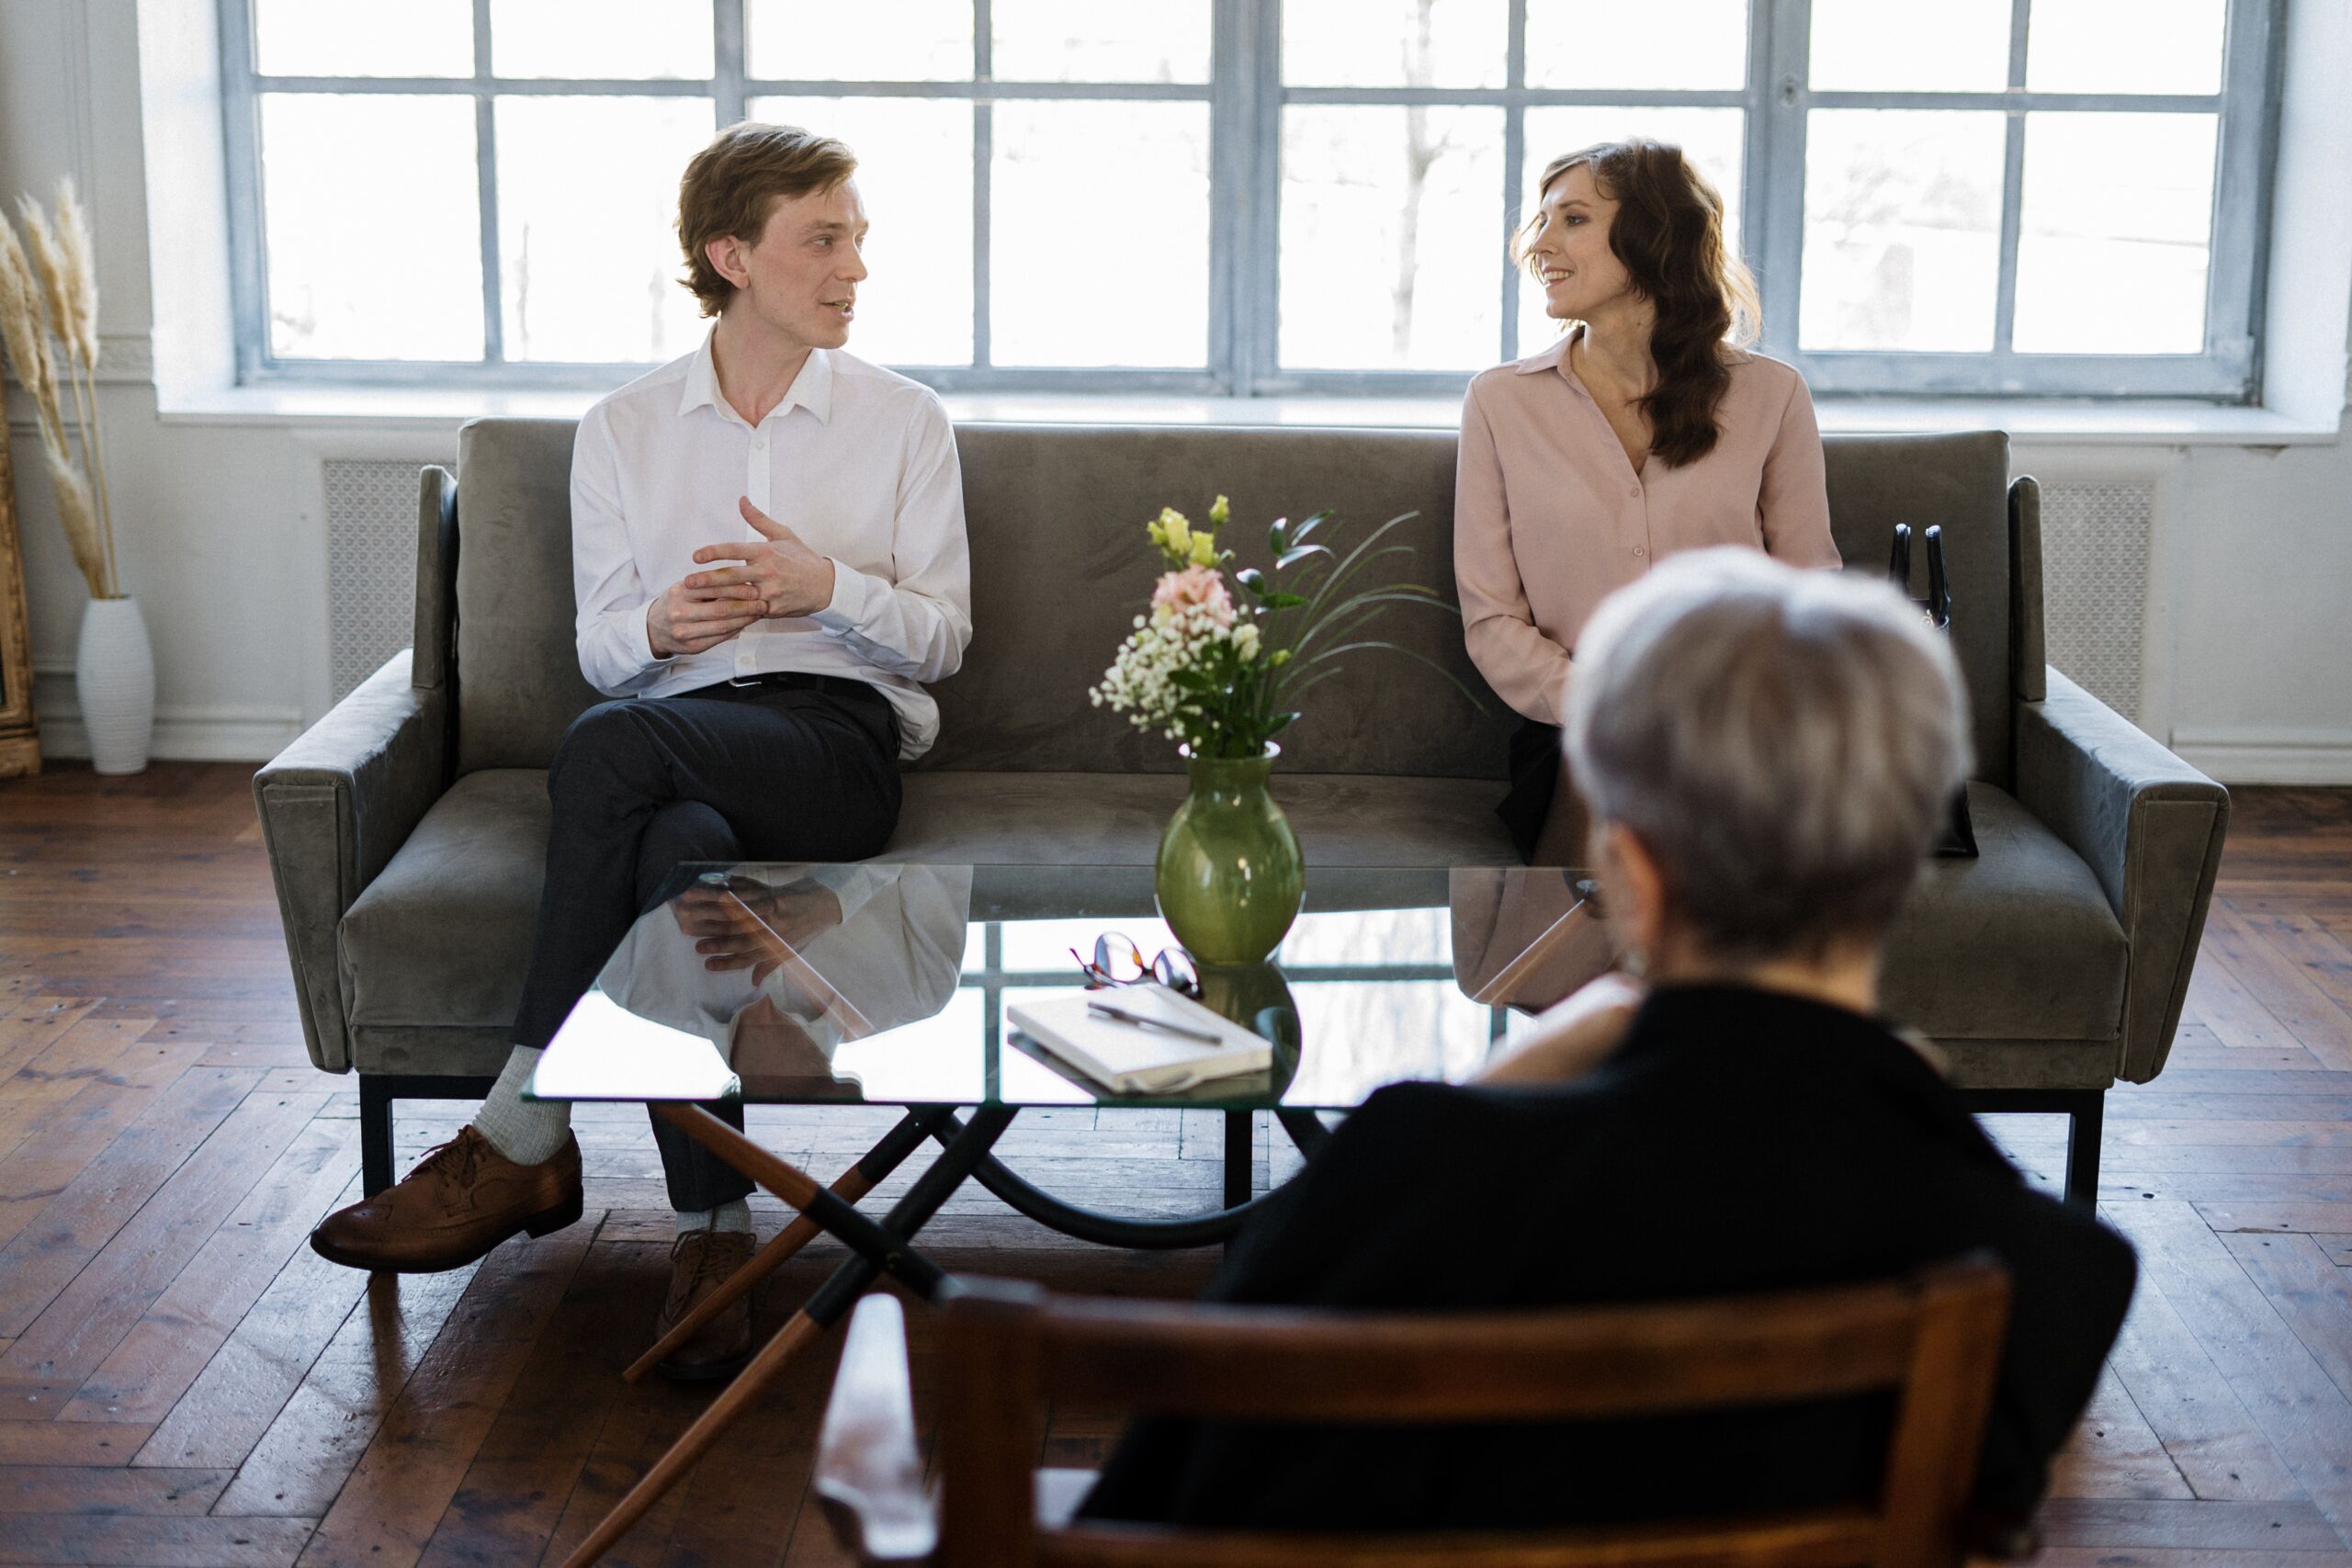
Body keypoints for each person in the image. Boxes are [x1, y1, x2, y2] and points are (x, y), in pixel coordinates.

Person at [1080, 549, 2134, 1547]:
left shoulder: (1411, 1177)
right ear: (1904, 866)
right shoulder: (2047, 1278)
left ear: (1628, 871)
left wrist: (1483, 1088)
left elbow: (1163, 1487)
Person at [307, 123, 973, 1381]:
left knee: (610, 750)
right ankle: (715, 1232)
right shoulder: (623, 429)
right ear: (731, 253)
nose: (853, 268)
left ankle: (522, 1125)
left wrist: (824, 586)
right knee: (676, 846)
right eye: (822, 239)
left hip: (838, 748)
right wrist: (665, 623)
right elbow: (609, 648)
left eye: (857, 239)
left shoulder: (904, 420)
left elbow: (939, 642)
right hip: (679, 743)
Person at [1457, 138, 1840, 865]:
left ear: (1653, 235)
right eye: (1540, 222)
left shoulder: (1772, 395)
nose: (1541, 245)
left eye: (1571, 220)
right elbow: (1491, 618)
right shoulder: (1500, 403)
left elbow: (1809, 594)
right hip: (1575, 727)